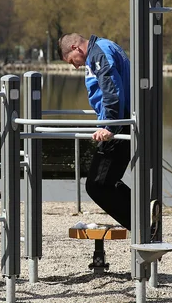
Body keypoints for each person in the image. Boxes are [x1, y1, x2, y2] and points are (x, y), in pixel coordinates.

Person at [59, 33, 132, 230]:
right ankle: (145, 217)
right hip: (120, 123)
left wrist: (109, 126)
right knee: (106, 182)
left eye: (71, 61)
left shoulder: (99, 53)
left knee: (97, 186)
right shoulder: (103, 48)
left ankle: (143, 224)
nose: (75, 66)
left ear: (75, 47)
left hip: (118, 125)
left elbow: (112, 90)